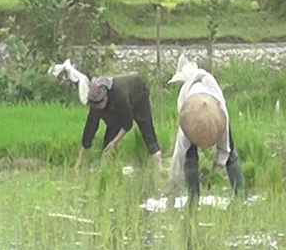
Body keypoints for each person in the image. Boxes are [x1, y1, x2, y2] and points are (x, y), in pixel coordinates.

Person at [168, 56, 245, 199]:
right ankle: (193, 197)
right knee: (188, 157)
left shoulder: (221, 118)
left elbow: (225, 150)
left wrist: (214, 173)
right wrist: (173, 186)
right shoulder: (187, 126)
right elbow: (178, 156)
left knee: (231, 154)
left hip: (214, 103)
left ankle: (240, 195)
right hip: (192, 104)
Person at [74, 73, 164, 172]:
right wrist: (79, 162)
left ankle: (158, 167)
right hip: (115, 106)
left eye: (99, 104)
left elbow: (127, 123)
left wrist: (115, 142)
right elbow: (90, 129)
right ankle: (106, 171)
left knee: (147, 131)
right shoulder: (96, 104)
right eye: (94, 106)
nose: (97, 108)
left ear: (105, 97)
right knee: (108, 141)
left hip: (139, 95)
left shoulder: (119, 95)